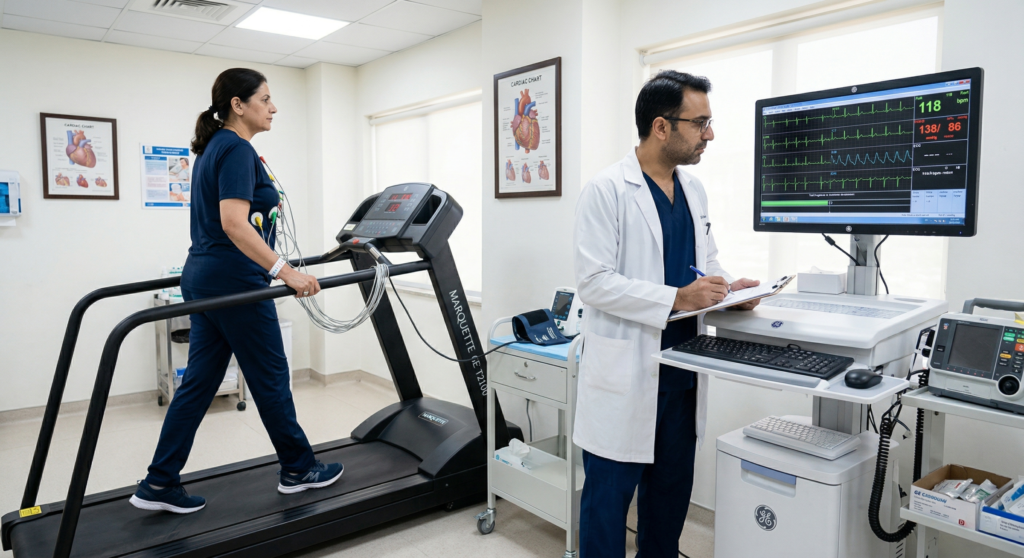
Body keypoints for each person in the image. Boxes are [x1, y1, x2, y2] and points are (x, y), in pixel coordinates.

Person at [131, 68, 342, 514]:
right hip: (233, 278)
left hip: (204, 276)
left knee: (199, 383)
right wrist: (287, 272)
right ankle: (298, 468)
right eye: (265, 99)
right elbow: (233, 223)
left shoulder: (214, 149)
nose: (274, 107)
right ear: (237, 105)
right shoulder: (236, 149)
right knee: (270, 377)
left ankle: (159, 482)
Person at [573, 70, 762, 557]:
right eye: (700, 123)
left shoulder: (693, 189)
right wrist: (678, 297)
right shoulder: (606, 190)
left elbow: (706, 263)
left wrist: (727, 291)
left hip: (680, 377)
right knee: (606, 512)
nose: (710, 134)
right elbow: (593, 284)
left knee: (667, 508)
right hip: (626, 378)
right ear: (662, 127)